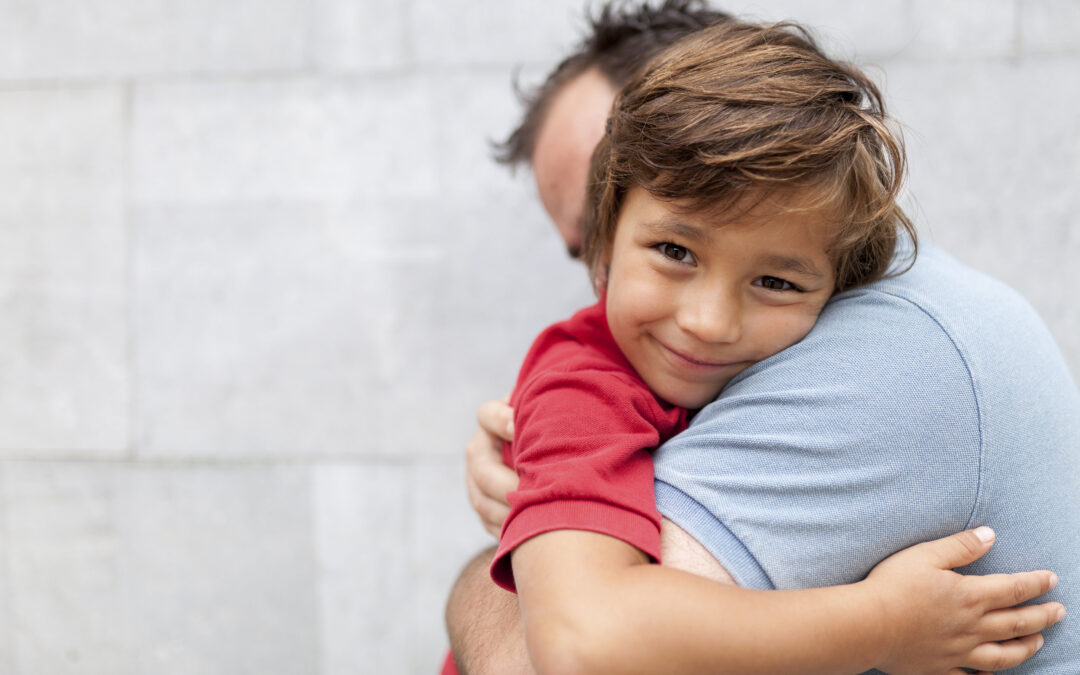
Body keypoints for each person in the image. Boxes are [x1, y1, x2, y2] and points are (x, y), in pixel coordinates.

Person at [445, 4, 1080, 675]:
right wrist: (885, 623)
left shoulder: (894, 346)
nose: (709, 321)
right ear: (606, 232)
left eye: (776, 281)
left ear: (842, 279)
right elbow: (581, 646)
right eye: (672, 250)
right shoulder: (582, 387)